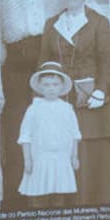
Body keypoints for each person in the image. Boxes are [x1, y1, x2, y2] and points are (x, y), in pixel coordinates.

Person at [39, 0, 110, 206]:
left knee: (89, 150)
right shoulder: (52, 23)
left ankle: (91, 204)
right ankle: (64, 205)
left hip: (90, 97)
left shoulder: (98, 22)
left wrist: (101, 89)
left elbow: (107, 60)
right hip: (59, 97)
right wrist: (45, 93)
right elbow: (43, 61)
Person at [0, 0, 61, 206]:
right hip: (14, 70)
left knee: (47, 127)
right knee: (18, 129)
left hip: (46, 68)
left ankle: (48, 198)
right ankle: (17, 198)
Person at [18, 61, 81, 204]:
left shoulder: (67, 109)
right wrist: (27, 159)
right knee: (39, 195)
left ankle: (58, 215)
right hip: (40, 159)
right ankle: (40, 217)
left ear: (62, 86)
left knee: (58, 195)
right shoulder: (34, 109)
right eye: (46, 85)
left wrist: (74, 156)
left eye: (55, 85)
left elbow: (74, 134)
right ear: (40, 87)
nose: (51, 89)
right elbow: (25, 136)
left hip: (61, 158)